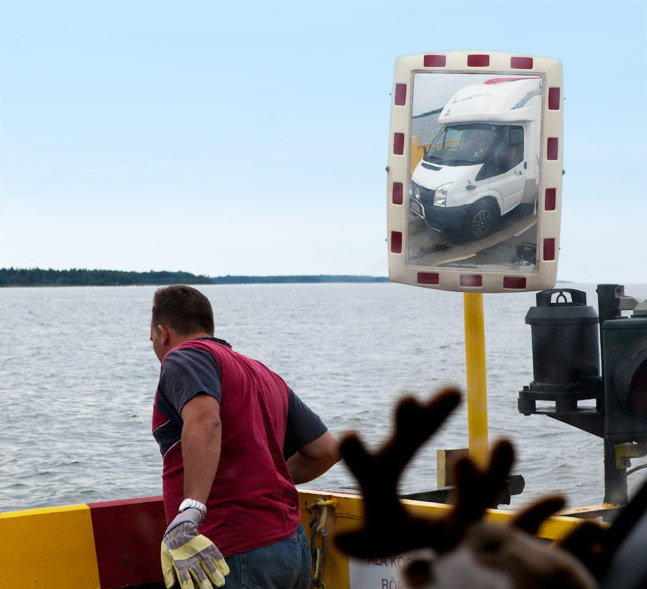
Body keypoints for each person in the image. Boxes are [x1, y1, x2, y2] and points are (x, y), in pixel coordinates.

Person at [150, 285, 339, 589]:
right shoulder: (264, 374)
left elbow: (206, 421)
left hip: (230, 551)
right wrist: (262, 477)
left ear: (163, 333)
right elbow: (326, 450)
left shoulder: (183, 357)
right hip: (291, 549)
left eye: (152, 340)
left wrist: (192, 509)